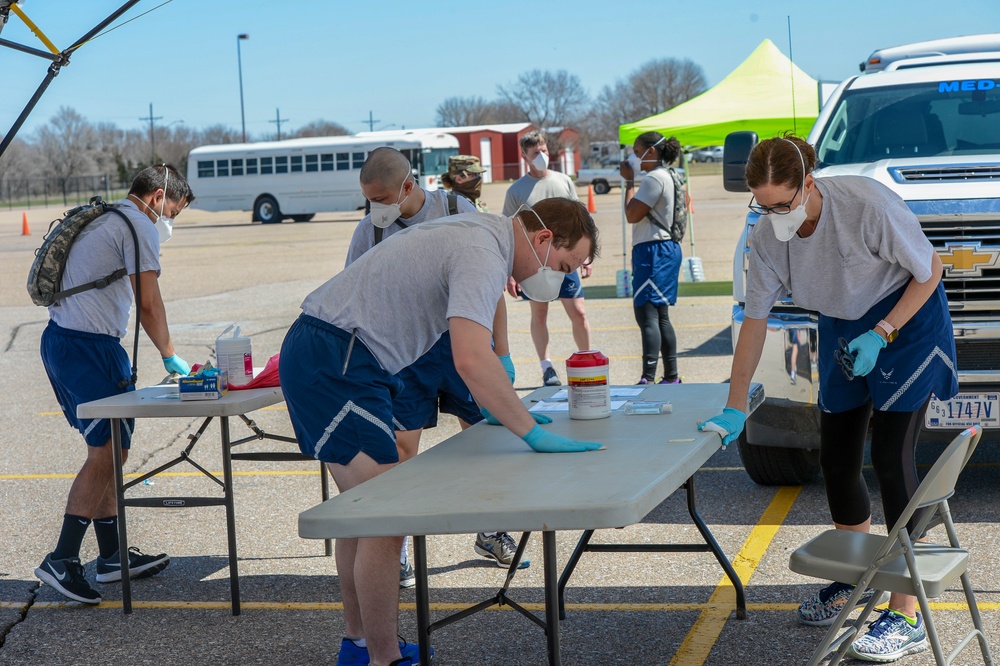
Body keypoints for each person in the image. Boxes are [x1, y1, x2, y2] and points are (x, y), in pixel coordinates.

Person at [280, 196, 603, 666]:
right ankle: (384, 658)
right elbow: (470, 356)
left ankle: (359, 645)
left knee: (361, 513)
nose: (560, 275)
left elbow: (469, 348)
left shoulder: (480, 233)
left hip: (334, 353)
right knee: (387, 518)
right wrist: (529, 430)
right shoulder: (483, 250)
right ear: (542, 238)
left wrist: (498, 407)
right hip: (336, 359)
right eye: (563, 264)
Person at [698, 135, 957, 663]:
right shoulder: (766, 240)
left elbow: (929, 272)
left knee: (889, 457)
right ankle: (855, 576)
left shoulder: (866, 206)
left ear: (808, 184)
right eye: (762, 205)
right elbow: (753, 323)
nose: (773, 216)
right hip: (841, 323)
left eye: (782, 204)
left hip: (904, 321)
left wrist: (881, 332)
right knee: (837, 458)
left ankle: (904, 610)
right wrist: (734, 403)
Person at [347, 148, 528, 588]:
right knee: (400, 450)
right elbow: (354, 293)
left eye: (383, 197)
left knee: (484, 439)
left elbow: (489, 287)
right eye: (370, 199)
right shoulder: (368, 230)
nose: (377, 207)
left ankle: (490, 530)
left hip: (463, 342)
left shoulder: (455, 209)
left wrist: (500, 352)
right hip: (408, 354)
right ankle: (399, 548)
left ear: (409, 186)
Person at [35, 164, 194, 604]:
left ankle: (110, 556)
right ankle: (62, 559)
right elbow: (148, 301)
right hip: (87, 348)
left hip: (69, 343)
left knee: (111, 451)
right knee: (106, 452)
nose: (169, 223)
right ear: (159, 197)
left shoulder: (110, 219)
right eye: (173, 213)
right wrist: (168, 354)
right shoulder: (138, 224)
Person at [503, 130, 592, 387]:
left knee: (578, 312)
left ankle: (586, 360)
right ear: (524, 156)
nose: (541, 156)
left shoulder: (564, 181)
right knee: (539, 313)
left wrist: (586, 257)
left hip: (566, 261)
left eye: (543, 150)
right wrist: (511, 272)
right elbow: (510, 230)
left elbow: (581, 221)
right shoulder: (516, 190)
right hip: (535, 266)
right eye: (535, 153)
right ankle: (547, 368)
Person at [619, 131, 683, 385]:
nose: (634, 158)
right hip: (666, 248)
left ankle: (648, 377)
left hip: (653, 250)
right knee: (660, 314)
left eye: (637, 153)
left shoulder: (653, 178)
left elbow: (632, 214)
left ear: (651, 151)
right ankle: (671, 376)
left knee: (646, 314)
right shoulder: (671, 175)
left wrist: (628, 183)